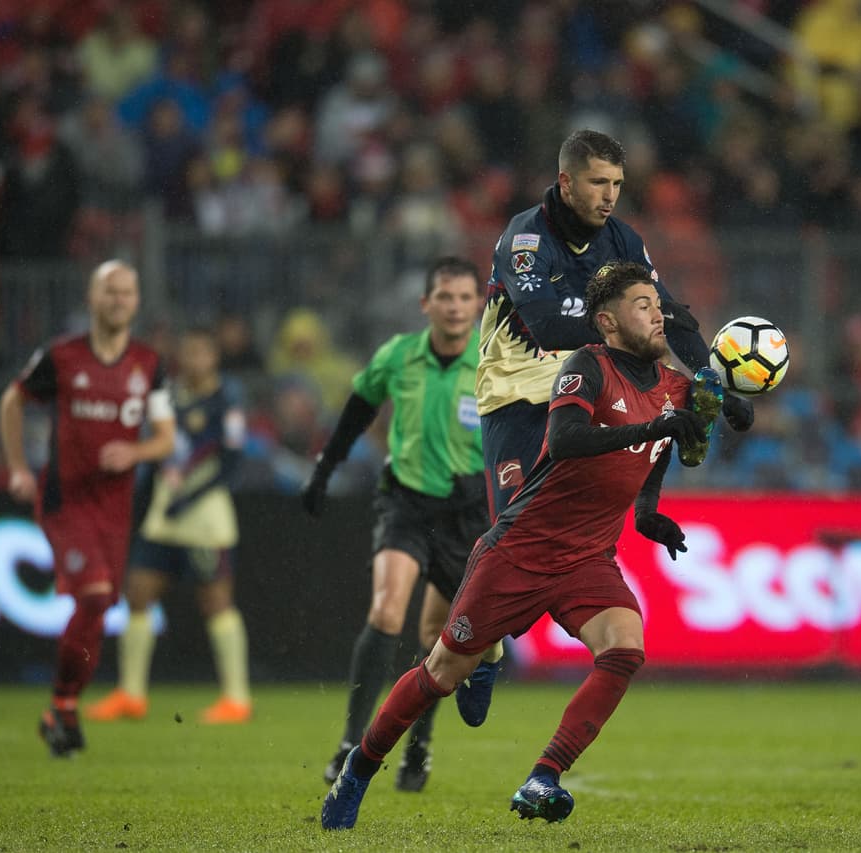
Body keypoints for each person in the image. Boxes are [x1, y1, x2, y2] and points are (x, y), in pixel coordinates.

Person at [321, 261, 738, 830]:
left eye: (657, 303)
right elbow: (566, 440)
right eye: (643, 305)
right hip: (521, 550)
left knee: (625, 648)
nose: (658, 313)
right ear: (608, 323)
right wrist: (656, 430)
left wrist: (648, 515)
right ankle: (359, 769)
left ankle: (544, 775)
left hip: (588, 559)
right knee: (439, 672)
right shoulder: (586, 366)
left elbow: (663, 449)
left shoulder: (673, 387)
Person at [468, 128, 753, 717]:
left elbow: (668, 319)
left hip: (591, 387)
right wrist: (622, 322)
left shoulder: (624, 239)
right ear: (567, 181)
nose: (609, 196)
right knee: (514, 534)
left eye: (618, 185)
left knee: (663, 413)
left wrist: (714, 386)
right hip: (517, 394)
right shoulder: (526, 237)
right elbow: (546, 325)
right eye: (598, 182)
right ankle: (484, 646)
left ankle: (608, 569)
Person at [302, 257, 501, 793]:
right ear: (426, 304)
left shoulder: (492, 362)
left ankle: (418, 744)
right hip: (406, 503)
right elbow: (357, 411)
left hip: (466, 513)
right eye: (446, 297)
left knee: (437, 637)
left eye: (465, 297)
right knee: (386, 611)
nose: (456, 307)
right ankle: (349, 744)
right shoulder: (398, 356)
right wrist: (324, 471)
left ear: (478, 304)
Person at [0, 260, 175, 757]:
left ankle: (63, 708)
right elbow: (12, 400)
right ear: (93, 298)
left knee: (96, 611)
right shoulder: (62, 356)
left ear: (137, 301)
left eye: (127, 292)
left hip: (115, 510)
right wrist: (17, 467)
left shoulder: (149, 363)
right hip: (64, 501)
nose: (119, 300)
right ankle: (63, 703)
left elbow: (165, 438)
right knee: (95, 597)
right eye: (109, 291)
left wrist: (135, 452)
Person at [86, 326, 252, 725]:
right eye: (188, 352)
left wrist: (191, 499)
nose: (194, 360)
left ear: (214, 358)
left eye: (202, 353)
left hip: (205, 518)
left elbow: (231, 462)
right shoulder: (167, 396)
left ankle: (236, 698)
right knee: (139, 592)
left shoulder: (227, 399)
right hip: (165, 513)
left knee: (216, 602)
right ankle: (131, 694)